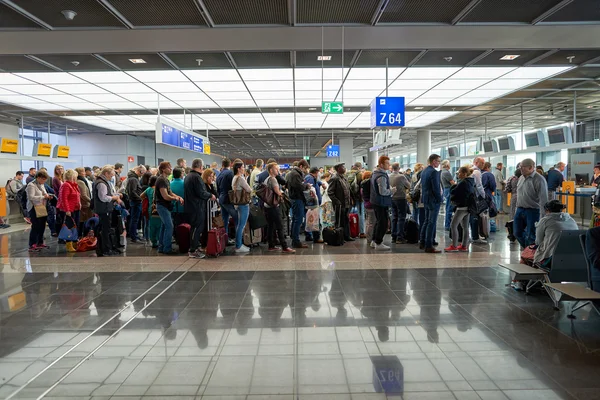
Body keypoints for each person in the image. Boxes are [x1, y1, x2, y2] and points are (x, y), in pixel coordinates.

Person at [513, 158, 549, 248]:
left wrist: (543, 216)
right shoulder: (521, 178)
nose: (520, 169)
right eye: (520, 167)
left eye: (522, 167)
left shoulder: (539, 179)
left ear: (530, 167)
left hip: (533, 211)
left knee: (531, 235)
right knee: (517, 232)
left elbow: (543, 199)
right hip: (520, 209)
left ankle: (530, 253)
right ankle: (527, 249)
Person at [532, 200, 578, 269]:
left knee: (527, 253)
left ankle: (526, 279)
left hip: (551, 259)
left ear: (547, 210)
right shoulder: (571, 220)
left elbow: (538, 242)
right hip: (574, 257)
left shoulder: (545, 220)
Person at [184, 158, 215, 259]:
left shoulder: (188, 176)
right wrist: (210, 195)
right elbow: (201, 193)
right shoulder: (197, 178)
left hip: (190, 206)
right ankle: (193, 250)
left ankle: (195, 247)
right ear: (201, 167)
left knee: (195, 228)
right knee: (196, 228)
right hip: (196, 207)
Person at [262, 163, 295, 254]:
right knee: (279, 226)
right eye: (276, 169)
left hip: (267, 205)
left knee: (271, 226)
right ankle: (284, 247)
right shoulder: (273, 179)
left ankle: (271, 245)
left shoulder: (266, 179)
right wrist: (283, 194)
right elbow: (277, 192)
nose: (278, 171)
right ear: (271, 170)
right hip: (273, 206)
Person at [94, 165, 123, 256]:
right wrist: (114, 197)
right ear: (106, 173)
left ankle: (108, 247)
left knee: (106, 229)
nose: (111, 177)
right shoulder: (101, 183)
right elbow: (103, 197)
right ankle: (105, 249)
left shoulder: (102, 182)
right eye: (111, 175)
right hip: (104, 209)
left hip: (104, 209)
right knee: (105, 230)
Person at [155, 162, 184, 255]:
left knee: (164, 226)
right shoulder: (161, 180)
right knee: (169, 226)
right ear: (163, 169)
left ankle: (161, 247)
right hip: (162, 206)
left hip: (165, 206)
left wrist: (178, 197)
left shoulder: (166, 180)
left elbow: (170, 192)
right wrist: (175, 198)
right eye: (169, 167)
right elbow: (165, 196)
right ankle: (167, 248)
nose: (170, 169)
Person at [445, 166, 474, 252]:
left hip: (461, 207)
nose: (458, 174)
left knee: (453, 225)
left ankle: (454, 245)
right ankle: (464, 245)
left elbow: (454, 192)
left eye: (459, 173)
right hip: (468, 207)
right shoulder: (470, 182)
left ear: (464, 174)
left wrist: (453, 186)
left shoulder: (463, 183)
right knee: (465, 226)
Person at [370, 156, 395, 250]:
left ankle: (374, 240)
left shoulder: (375, 174)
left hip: (375, 201)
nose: (389, 165)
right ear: (381, 164)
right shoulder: (381, 176)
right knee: (383, 223)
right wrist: (391, 191)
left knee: (379, 221)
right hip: (381, 202)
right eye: (387, 163)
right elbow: (383, 192)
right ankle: (378, 242)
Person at [420, 154, 442, 253]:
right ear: (433, 161)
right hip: (433, 200)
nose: (439, 163)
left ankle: (422, 241)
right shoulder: (434, 172)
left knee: (426, 221)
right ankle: (429, 245)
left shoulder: (424, 171)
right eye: (438, 161)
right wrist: (440, 199)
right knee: (431, 222)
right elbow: (436, 188)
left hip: (426, 199)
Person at [286, 159, 311, 249]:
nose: (305, 170)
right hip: (297, 199)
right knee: (298, 220)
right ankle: (296, 241)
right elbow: (299, 186)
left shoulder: (293, 173)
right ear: (301, 166)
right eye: (305, 168)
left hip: (295, 198)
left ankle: (294, 238)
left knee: (295, 219)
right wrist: (307, 186)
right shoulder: (295, 174)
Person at [26, 171, 52, 252]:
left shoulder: (41, 184)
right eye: (43, 179)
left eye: (45, 179)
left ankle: (39, 242)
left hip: (42, 206)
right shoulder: (31, 185)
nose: (44, 181)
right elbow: (31, 197)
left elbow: (44, 193)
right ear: (38, 177)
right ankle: (32, 244)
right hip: (33, 207)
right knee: (35, 226)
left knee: (42, 225)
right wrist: (43, 197)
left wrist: (47, 196)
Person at [327, 163, 354, 243]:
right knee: (339, 221)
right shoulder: (335, 178)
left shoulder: (344, 178)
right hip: (339, 204)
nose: (344, 168)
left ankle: (346, 236)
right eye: (342, 167)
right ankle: (340, 237)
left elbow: (348, 190)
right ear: (338, 168)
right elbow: (330, 192)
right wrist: (337, 201)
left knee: (346, 220)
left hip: (346, 203)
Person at [57, 169, 81, 252]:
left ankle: (75, 242)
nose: (76, 178)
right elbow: (64, 199)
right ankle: (69, 244)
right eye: (75, 176)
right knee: (69, 227)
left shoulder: (74, 185)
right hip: (69, 210)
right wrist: (67, 210)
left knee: (75, 226)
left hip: (76, 209)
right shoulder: (66, 185)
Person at [232, 160, 252, 253]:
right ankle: (239, 245)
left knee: (239, 225)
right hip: (243, 204)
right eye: (243, 167)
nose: (244, 169)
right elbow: (249, 189)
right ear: (239, 168)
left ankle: (238, 244)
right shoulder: (240, 178)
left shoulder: (234, 178)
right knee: (242, 225)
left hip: (237, 204)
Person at [216, 158, 237, 245]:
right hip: (228, 199)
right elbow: (233, 187)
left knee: (225, 220)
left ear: (222, 164)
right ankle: (239, 239)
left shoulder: (219, 174)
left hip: (221, 198)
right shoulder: (230, 173)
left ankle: (225, 239)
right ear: (230, 164)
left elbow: (217, 188)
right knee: (237, 218)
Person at [390, 162, 411, 244]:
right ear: (399, 168)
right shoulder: (401, 176)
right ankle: (400, 237)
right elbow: (409, 185)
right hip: (401, 198)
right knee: (401, 217)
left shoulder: (388, 176)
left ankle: (393, 236)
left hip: (392, 198)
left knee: (394, 217)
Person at [304, 166, 324, 244]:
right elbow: (310, 191)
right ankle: (316, 237)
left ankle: (309, 235)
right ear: (316, 172)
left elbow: (316, 183)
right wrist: (313, 202)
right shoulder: (310, 178)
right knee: (315, 220)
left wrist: (320, 183)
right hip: (312, 204)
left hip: (312, 203)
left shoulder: (310, 177)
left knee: (311, 219)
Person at [470, 157, 487, 244]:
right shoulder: (476, 172)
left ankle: (474, 235)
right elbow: (479, 186)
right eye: (482, 163)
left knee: (470, 217)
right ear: (476, 162)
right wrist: (483, 196)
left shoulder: (469, 169)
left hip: (468, 196)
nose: (483, 165)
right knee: (475, 216)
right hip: (474, 197)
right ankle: (475, 236)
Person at [126, 166, 144, 243]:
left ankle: (134, 235)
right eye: (142, 172)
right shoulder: (133, 179)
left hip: (135, 201)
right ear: (138, 171)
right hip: (136, 202)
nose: (142, 174)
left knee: (134, 220)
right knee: (134, 220)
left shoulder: (133, 178)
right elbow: (132, 192)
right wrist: (140, 199)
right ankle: (134, 237)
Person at [347, 162, 365, 239]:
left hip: (349, 197)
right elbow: (361, 187)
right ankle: (361, 232)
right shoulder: (360, 174)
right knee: (360, 213)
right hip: (358, 197)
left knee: (348, 214)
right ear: (359, 167)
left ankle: (348, 231)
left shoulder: (347, 174)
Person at [140, 176, 160, 249]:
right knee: (159, 226)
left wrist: (148, 199)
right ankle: (159, 240)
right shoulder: (158, 190)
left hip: (150, 209)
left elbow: (141, 196)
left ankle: (153, 242)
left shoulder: (148, 189)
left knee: (152, 226)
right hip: (158, 209)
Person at [75, 167, 93, 235]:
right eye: (83, 172)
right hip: (84, 205)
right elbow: (83, 195)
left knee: (82, 222)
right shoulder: (81, 182)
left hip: (83, 204)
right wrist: (91, 201)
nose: (84, 173)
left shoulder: (82, 181)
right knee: (83, 222)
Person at [440, 160, 455, 231]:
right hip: (449, 190)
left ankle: (448, 224)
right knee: (449, 208)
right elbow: (452, 182)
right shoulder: (446, 172)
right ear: (447, 165)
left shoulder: (442, 172)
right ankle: (448, 225)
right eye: (449, 164)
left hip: (446, 190)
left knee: (448, 207)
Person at [361, 171, 375, 244]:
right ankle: (370, 239)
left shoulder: (362, 185)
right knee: (372, 223)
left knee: (368, 222)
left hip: (366, 204)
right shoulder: (369, 184)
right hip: (371, 205)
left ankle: (368, 237)